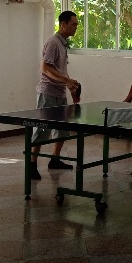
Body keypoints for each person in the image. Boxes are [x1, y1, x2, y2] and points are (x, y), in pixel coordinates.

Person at [30, 10, 81, 181]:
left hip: (60, 93)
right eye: (73, 24)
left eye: (76, 24)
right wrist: (66, 80)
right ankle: (32, 165)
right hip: (48, 93)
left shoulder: (63, 44)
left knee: (61, 130)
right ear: (63, 24)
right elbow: (45, 68)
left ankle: (55, 160)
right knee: (42, 130)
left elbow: (61, 70)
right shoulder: (53, 43)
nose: (76, 27)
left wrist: (71, 87)